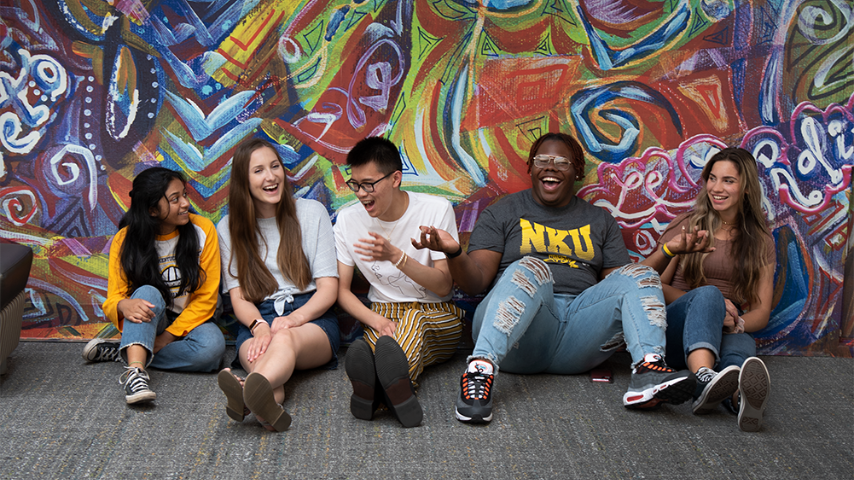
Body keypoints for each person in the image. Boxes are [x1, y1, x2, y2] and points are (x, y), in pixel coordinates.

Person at [414, 132, 705, 424]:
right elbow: (474, 284)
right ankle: (480, 372)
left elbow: (628, 287)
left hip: (578, 337)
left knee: (640, 272)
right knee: (530, 267)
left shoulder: (599, 220)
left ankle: (648, 372)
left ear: (577, 171)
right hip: (519, 337)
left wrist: (668, 251)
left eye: (561, 162)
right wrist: (453, 253)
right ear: (530, 166)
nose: (550, 167)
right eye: (542, 160)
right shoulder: (503, 212)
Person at [335, 136, 464, 428]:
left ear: (395, 178)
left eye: (369, 184)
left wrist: (396, 256)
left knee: (411, 324)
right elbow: (342, 292)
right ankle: (396, 394)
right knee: (377, 349)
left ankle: (376, 394)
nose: (361, 193)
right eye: (354, 184)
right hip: (382, 316)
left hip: (436, 314)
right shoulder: (346, 220)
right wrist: (377, 322)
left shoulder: (435, 210)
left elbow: (443, 286)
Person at [645, 147, 774, 432]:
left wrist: (735, 322)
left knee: (743, 344)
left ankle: (738, 399)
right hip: (676, 333)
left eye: (728, 181)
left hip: (722, 330)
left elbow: (762, 311)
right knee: (709, 294)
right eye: (712, 179)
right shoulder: (690, 226)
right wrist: (712, 305)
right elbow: (654, 285)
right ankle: (703, 376)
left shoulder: (760, 240)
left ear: (747, 189)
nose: (716, 188)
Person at [215, 138, 340, 432]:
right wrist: (260, 326)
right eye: (258, 171)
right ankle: (266, 409)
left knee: (282, 341)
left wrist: (291, 320)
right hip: (258, 319)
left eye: (274, 167)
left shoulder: (311, 212)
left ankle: (244, 391)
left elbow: (328, 289)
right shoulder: (228, 228)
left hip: (311, 318)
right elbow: (239, 297)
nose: (270, 177)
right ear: (243, 181)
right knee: (268, 377)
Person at [83, 167, 225, 404]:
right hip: (150, 319)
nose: (186, 204)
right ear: (152, 210)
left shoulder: (203, 230)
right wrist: (123, 305)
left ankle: (128, 350)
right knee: (148, 292)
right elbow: (113, 299)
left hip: (191, 320)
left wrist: (167, 338)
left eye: (185, 195)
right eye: (175, 199)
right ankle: (135, 372)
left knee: (212, 350)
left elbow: (207, 298)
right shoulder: (125, 240)